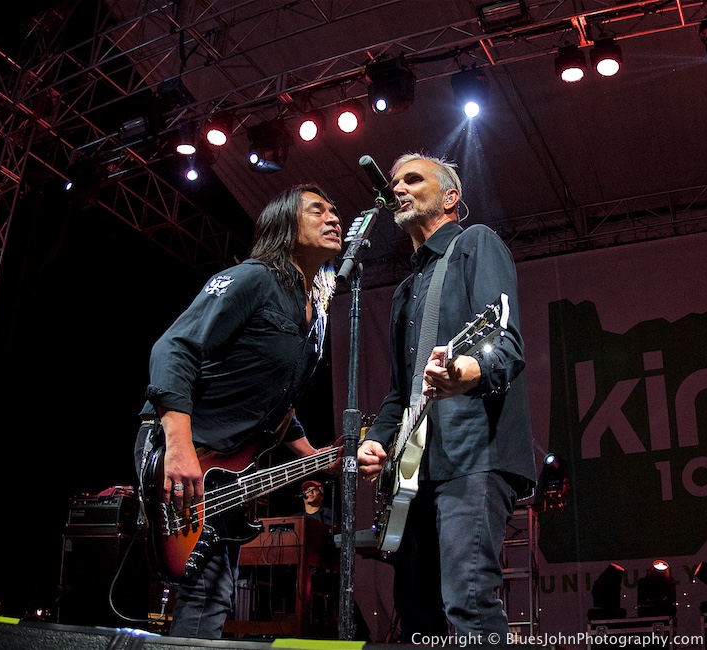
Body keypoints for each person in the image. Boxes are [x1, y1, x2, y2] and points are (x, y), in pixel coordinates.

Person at [134, 184, 343, 639]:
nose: (334, 218)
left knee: (215, 591)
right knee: (206, 587)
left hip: (229, 461)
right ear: (285, 225)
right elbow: (175, 347)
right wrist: (179, 446)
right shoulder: (253, 279)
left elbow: (278, 403)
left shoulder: (318, 316)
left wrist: (314, 456)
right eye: (318, 209)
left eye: (335, 212)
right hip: (183, 442)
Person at [356, 153, 536, 644]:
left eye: (414, 179)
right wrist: (378, 441)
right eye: (395, 182)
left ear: (450, 198)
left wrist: (467, 371)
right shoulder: (405, 289)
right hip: (414, 470)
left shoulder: (476, 243)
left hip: (473, 455)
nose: (400, 188)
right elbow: (401, 391)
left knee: (469, 600)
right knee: (415, 610)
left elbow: (506, 342)